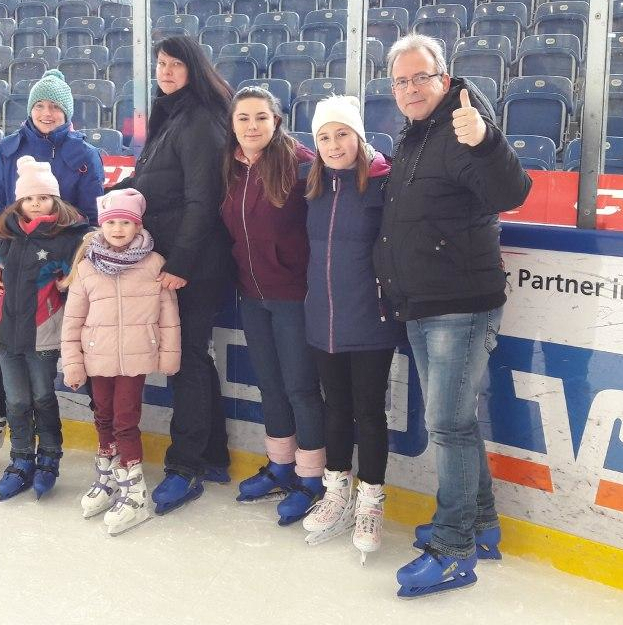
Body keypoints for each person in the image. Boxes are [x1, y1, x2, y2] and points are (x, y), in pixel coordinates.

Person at [373, 34, 532, 597]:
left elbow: (512, 191)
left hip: (458, 305)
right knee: (456, 425)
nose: (411, 89)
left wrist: (487, 142)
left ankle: (454, 547)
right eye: (401, 81)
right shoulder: (417, 135)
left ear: (445, 77)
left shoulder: (465, 125)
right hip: (424, 301)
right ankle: (482, 526)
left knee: (448, 427)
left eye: (422, 77)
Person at [107, 36, 234, 515]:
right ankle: (214, 455)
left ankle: (185, 467)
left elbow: (204, 198)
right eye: (160, 64)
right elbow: (149, 182)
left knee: (184, 362)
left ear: (193, 69)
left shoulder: (200, 120)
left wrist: (180, 263)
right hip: (177, 260)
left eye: (175, 64)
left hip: (194, 265)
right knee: (193, 358)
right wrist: (109, 197)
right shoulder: (173, 118)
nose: (165, 71)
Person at [0, 69, 104, 480]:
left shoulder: (84, 155)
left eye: (56, 106)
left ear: (68, 113)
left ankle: (108, 439)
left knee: (74, 347)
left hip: (63, 270)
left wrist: (69, 265)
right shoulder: (9, 150)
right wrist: (2, 263)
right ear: (30, 110)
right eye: (40, 105)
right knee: (6, 344)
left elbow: (92, 217)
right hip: (15, 266)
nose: (47, 113)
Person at [0, 156, 92, 501]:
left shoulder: (67, 238)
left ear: (54, 200)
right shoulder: (3, 236)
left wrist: (71, 272)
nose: (35, 203)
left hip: (43, 332)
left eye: (42, 197)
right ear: (19, 202)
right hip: (7, 334)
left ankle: (49, 458)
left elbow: (89, 266)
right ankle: (21, 459)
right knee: (15, 401)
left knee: (42, 397)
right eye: (28, 198)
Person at [299, 96, 406, 561]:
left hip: (370, 319)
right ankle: (337, 491)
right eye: (323, 136)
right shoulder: (314, 186)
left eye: (342, 134)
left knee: (368, 412)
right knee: (334, 408)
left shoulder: (383, 184)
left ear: (359, 137)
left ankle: (370, 501)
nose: (333, 144)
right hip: (322, 318)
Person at [219, 86, 325, 526]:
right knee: (271, 384)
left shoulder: (300, 165)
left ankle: (313, 478)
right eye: (243, 118)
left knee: (301, 387)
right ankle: (281, 465)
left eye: (260, 117)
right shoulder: (230, 167)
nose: (251, 126)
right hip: (252, 294)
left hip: (293, 296)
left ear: (276, 121)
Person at [61, 189, 182, 535]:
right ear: (102, 225)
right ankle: (109, 475)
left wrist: (170, 356)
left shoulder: (154, 263)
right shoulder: (86, 267)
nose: (117, 229)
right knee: (102, 416)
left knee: (125, 421)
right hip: (97, 357)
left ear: (137, 226)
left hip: (134, 357)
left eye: (125, 223)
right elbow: (73, 320)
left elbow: (168, 315)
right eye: (111, 222)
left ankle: (134, 490)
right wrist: (73, 363)